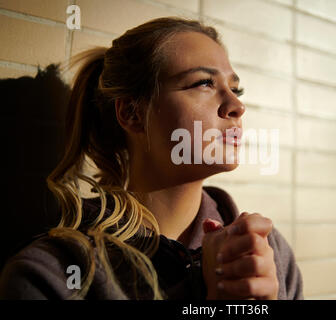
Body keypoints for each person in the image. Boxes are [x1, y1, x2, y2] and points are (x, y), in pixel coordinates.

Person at [0, 16, 303, 300]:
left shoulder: (266, 249)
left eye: (236, 89)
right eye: (204, 83)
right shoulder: (53, 275)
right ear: (132, 114)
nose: (236, 105)